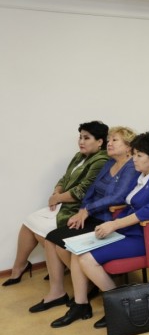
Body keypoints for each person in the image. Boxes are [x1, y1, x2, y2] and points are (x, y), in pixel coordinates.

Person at [50, 131, 149, 328]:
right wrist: (111, 224)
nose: (134, 159)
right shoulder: (144, 173)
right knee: (77, 252)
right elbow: (131, 204)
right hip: (130, 230)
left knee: (86, 259)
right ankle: (81, 305)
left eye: (139, 155)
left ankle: (119, 305)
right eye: (134, 154)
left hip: (147, 236)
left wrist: (114, 224)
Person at [30, 127, 139, 312]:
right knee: (51, 239)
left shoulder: (131, 167)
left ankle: (88, 286)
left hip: (108, 220)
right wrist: (82, 210)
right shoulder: (109, 163)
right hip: (92, 214)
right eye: (109, 140)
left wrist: (88, 210)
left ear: (128, 147)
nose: (109, 143)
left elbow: (117, 197)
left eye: (114, 140)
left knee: (65, 246)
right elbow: (91, 190)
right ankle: (57, 292)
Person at [3, 121, 109, 287]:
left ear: (100, 141)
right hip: (63, 203)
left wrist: (58, 198)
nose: (81, 141)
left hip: (77, 209)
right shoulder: (79, 156)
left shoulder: (101, 160)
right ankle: (20, 266)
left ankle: (74, 273)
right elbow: (64, 178)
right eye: (80, 137)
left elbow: (83, 190)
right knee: (29, 222)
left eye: (86, 138)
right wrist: (56, 192)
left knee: (44, 232)